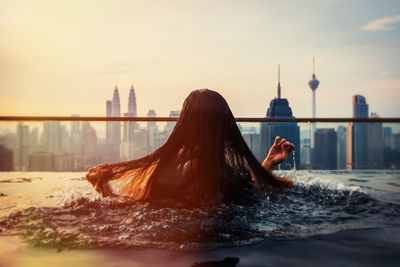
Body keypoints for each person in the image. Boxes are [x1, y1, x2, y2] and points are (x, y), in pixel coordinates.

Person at [86, 89, 295, 208]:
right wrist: (266, 167)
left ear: (185, 126)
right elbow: (250, 196)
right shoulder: (226, 173)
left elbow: (133, 210)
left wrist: (103, 188)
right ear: (226, 126)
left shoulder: (165, 172)